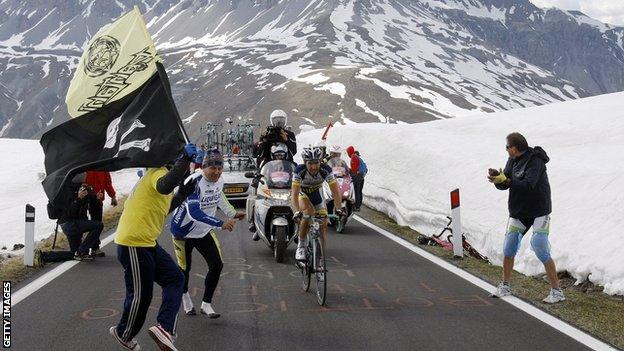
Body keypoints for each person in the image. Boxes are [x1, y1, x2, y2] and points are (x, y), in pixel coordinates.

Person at [109, 143, 197, 351]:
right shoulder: (155, 173)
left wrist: (182, 194)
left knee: (175, 278)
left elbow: (164, 207)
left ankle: (165, 329)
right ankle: (123, 333)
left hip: (146, 242)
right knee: (141, 295)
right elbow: (165, 185)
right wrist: (185, 161)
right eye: (176, 159)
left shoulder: (159, 177)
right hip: (133, 242)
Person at [487, 132, 564, 304]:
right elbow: (506, 182)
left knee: (539, 245)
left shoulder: (535, 161)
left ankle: (557, 292)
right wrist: (498, 180)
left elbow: (528, 185)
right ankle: (505, 285)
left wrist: (506, 181)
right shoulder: (512, 160)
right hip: (520, 211)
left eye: (507, 147)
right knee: (509, 246)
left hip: (539, 211)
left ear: (514, 148)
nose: (506, 150)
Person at [170, 149, 245, 317]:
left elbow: (219, 197)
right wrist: (221, 224)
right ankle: (185, 298)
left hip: (203, 232)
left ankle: (206, 303)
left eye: (219, 168)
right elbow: (194, 214)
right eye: (213, 168)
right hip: (183, 232)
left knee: (217, 265)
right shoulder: (193, 182)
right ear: (204, 167)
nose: (216, 172)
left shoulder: (219, 180)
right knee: (184, 269)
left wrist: (232, 213)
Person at [34, 174, 103, 264]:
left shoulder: (84, 188)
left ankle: (44, 256)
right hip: (69, 223)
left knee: (74, 254)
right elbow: (70, 212)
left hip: (73, 223)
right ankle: (81, 251)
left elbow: (93, 205)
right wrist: (79, 198)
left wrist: (97, 199)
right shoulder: (66, 191)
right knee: (98, 226)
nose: (84, 176)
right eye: (82, 175)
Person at [291, 147, 344, 262]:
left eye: (316, 163)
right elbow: (294, 194)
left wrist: (339, 209)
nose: (314, 167)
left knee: (323, 224)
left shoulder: (326, 170)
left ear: (320, 161)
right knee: (308, 212)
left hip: (316, 194)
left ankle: (320, 259)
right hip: (302, 193)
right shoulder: (299, 170)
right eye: (310, 163)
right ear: (305, 162)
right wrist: (296, 211)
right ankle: (301, 245)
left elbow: (335, 191)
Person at [247, 142, 290, 240]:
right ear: (273, 155)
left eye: (282, 155)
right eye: (277, 155)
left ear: (285, 155)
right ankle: (255, 224)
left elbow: (296, 174)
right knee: (255, 200)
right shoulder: (266, 164)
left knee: (299, 202)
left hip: (286, 189)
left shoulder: (291, 165)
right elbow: (259, 173)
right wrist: (256, 178)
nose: (280, 157)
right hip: (270, 189)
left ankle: (299, 229)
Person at [84, 170, 118, 257]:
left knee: (97, 224)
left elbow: (107, 182)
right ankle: (81, 249)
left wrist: (113, 196)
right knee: (82, 224)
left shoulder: (103, 166)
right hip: (83, 201)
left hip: (97, 200)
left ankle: (95, 248)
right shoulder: (85, 164)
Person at [346, 146, 367, 211]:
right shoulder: (358, 158)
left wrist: (351, 174)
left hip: (357, 177)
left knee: (356, 191)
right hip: (362, 176)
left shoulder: (353, 157)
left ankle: (356, 206)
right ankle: (359, 205)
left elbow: (354, 170)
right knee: (359, 191)